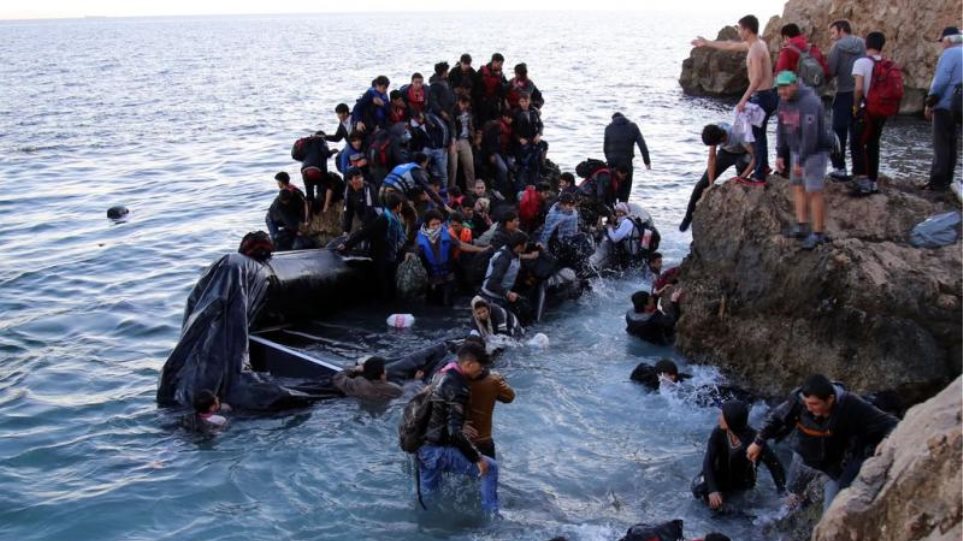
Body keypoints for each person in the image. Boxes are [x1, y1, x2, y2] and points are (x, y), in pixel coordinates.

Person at [747, 374, 898, 509]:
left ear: (830, 399)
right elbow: (776, 419)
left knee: (831, 510)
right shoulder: (799, 400)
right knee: (790, 494)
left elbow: (892, 423)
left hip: (835, 467)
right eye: (807, 403)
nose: (809, 408)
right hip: (804, 458)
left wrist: (886, 440)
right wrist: (758, 442)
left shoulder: (851, 405)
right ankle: (797, 509)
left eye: (814, 404)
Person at [692, 15, 776, 183]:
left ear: (747, 29)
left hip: (762, 96)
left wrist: (744, 99)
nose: (738, 32)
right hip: (764, 95)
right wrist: (707, 43)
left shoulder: (756, 49)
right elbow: (729, 45)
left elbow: (757, 78)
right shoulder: (756, 44)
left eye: (739, 28)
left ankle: (760, 174)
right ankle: (763, 167)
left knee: (757, 136)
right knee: (758, 134)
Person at [418, 342, 499, 514]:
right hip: (436, 451)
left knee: (429, 495)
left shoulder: (441, 373)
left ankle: (425, 518)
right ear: (469, 364)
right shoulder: (458, 386)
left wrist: (459, 423)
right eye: (481, 366)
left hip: (421, 446)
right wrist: (477, 458)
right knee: (490, 468)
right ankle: (493, 519)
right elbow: (454, 433)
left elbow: (435, 408)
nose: (482, 370)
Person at [691, 400, 787, 510]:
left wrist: (783, 492)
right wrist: (713, 490)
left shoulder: (753, 440)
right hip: (719, 477)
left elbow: (774, 465)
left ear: (731, 420)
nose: (719, 418)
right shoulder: (718, 433)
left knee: (739, 508)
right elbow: (708, 461)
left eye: (722, 415)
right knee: (697, 488)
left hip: (741, 483)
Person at [775, 70, 832, 250]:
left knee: (814, 190)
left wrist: (801, 161)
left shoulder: (810, 102)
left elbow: (811, 136)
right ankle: (801, 225)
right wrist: (780, 154)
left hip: (814, 151)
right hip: (795, 149)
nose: (782, 92)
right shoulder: (783, 101)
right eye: (779, 88)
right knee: (798, 186)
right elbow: (781, 128)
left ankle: (818, 233)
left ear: (795, 85)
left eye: (785, 87)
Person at [680, 122, 755, 232]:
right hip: (726, 154)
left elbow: (756, 157)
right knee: (701, 184)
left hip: (744, 154)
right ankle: (688, 218)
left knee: (741, 176)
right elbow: (712, 158)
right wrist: (711, 185)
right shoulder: (717, 130)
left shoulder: (738, 135)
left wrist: (742, 177)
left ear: (722, 138)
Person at [337, 193, 408, 300]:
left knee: (390, 285)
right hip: (382, 257)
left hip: (391, 257)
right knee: (384, 287)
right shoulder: (385, 219)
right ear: (398, 206)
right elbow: (366, 232)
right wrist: (347, 244)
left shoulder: (394, 218)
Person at [923, 26, 963, 192]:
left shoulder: (949, 54)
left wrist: (930, 102)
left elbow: (941, 81)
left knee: (941, 144)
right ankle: (948, 180)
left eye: (942, 41)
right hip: (960, 107)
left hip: (945, 104)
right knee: (952, 143)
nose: (941, 44)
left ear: (948, 40)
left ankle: (937, 182)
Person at [850, 31, 890, 195]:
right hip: (882, 111)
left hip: (867, 110)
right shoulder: (887, 64)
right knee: (873, 144)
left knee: (857, 143)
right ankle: (873, 182)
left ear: (866, 44)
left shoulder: (861, 62)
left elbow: (859, 88)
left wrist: (855, 106)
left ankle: (862, 182)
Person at [826, 20, 866, 180]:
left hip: (843, 93)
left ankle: (840, 168)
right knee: (857, 134)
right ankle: (859, 170)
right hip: (860, 94)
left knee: (837, 133)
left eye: (833, 33)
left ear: (842, 30)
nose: (831, 37)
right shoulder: (862, 43)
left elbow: (831, 70)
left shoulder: (837, 47)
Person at [465, 354, 515, 460]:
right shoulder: (493, 380)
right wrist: (500, 380)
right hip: (483, 439)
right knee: (489, 468)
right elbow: (509, 397)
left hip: (458, 437)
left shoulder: (454, 379)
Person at [480, 231, 531, 321]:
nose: (527, 246)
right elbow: (491, 284)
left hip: (500, 296)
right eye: (526, 244)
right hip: (491, 298)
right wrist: (508, 293)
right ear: (520, 246)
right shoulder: (504, 259)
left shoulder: (513, 252)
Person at [604, 112, 651, 202]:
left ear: (613, 120)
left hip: (612, 165)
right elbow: (642, 145)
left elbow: (605, 148)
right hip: (626, 165)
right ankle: (623, 207)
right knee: (624, 194)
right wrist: (647, 162)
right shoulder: (633, 127)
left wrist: (609, 160)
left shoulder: (608, 128)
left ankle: (612, 209)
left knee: (612, 193)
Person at [415, 209, 457, 306]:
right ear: (427, 225)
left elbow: (460, 244)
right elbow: (414, 251)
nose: (436, 227)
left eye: (438, 224)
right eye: (433, 225)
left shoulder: (446, 234)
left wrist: (480, 249)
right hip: (431, 278)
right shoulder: (419, 239)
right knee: (432, 304)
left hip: (448, 277)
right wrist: (409, 253)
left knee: (447, 303)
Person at [602, 202, 658, 269]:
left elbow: (615, 238)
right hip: (639, 249)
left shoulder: (626, 222)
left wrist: (609, 228)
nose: (619, 214)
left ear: (626, 211)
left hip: (635, 251)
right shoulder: (629, 219)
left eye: (621, 212)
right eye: (617, 212)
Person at [513, 92, 545, 191]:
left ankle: (535, 185)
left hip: (534, 141)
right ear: (519, 102)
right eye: (522, 101)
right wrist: (519, 139)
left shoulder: (534, 111)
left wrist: (538, 134)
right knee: (523, 165)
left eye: (526, 101)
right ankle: (521, 188)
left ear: (529, 101)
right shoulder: (516, 113)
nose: (524, 104)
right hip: (522, 142)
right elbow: (513, 130)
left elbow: (540, 125)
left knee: (535, 163)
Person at [333, 356, 404, 401]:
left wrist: (353, 369)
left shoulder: (357, 384)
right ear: (382, 375)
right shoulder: (395, 390)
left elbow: (337, 378)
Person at [481, 109, 515, 199]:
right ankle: (498, 189)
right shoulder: (497, 126)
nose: (511, 120)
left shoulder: (509, 128)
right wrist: (491, 154)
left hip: (503, 152)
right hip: (495, 151)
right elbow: (490, 141)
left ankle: (506, 186)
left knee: (511, 165)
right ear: (504, 117)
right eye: (509, 118)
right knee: (503, 169)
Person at [297, 132, 334, 212]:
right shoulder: (321, 140)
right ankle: (325, 207)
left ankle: (308, 216)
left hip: (305, 171)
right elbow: (326, 153)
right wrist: (332, 152)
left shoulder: (306, 143)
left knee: (309, 194)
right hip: (317, 170)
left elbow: (298, 156)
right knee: (329, 184)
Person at [341, 167, 379, 235]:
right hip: (365, 223)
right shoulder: (348, 192)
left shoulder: (368, 188)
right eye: (357, 178)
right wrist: (346, 231)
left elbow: (369, 210)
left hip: (378, 220)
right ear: (350, 181)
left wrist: (362, 228)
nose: (360, 180)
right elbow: (348, 212)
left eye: (361, 177)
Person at [450, 95, 476, 190]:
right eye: (463, 104)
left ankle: (471, 189)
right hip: (454, 141)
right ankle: (451, 190)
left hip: (465, 140)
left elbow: (470, 125)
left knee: (470, 167)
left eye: (466, 105)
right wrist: (453, 143)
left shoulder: (469, 111)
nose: (464, 106)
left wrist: (473, 136)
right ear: (459, 102)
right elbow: (452, 127)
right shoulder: (453, 110)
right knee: (453, 168)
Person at [477, 53, 508, 123]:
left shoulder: (500, 74)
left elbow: (504, 86)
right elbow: (477, 88)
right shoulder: (482, 72)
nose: (501, 66)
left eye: (501, 64)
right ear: (494, 62)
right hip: (483, 103)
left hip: (495, 102)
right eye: (500, 64)